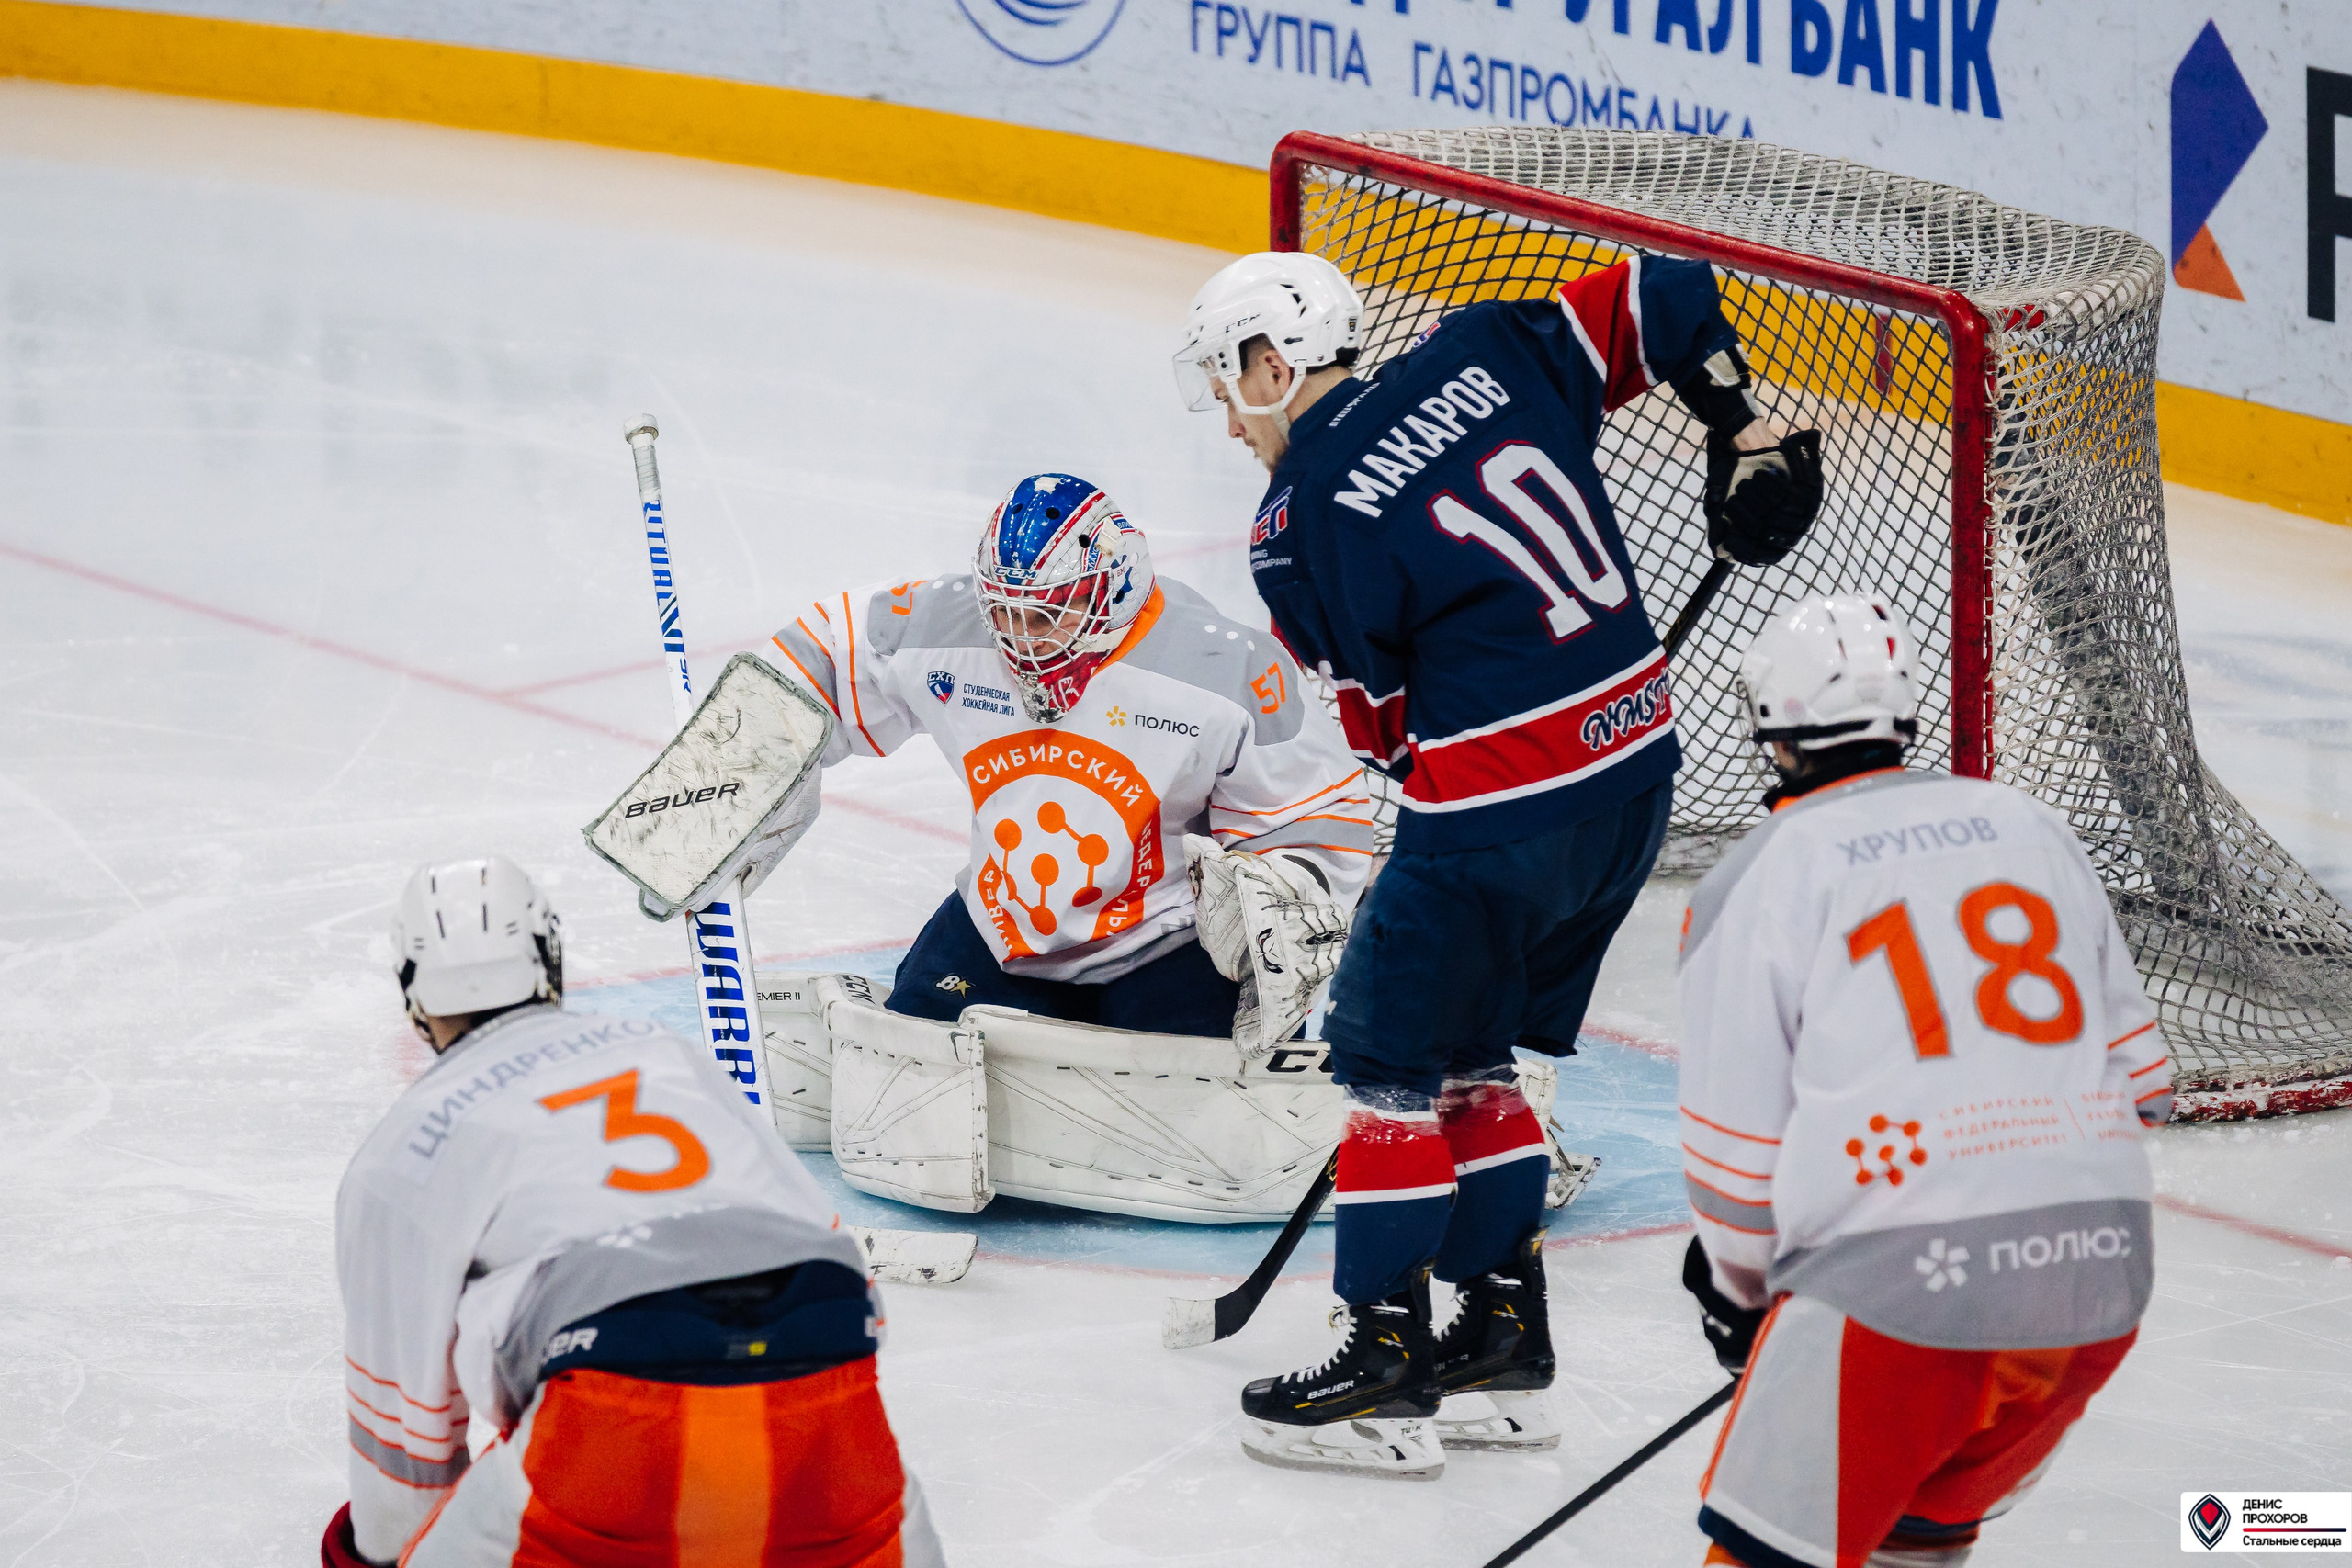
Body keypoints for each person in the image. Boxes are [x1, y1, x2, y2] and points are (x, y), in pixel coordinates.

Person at [1173, 249, 1824, 1476]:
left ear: (1273, 364)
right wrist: (1739, 423)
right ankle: (1503, 1338)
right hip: (1635, 779)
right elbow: (1671, 296)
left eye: (1226, 381)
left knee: (1385, 1062)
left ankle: (1381, 1360)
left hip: (1496, 811)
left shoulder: (1297, 514)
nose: (1225, 413)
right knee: (1473, 1054)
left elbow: (1383, 728)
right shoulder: (1492, 348)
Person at [1677, 592, 2171, 1568]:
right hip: (2101, 1280)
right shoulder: (2028, 824)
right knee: (1915, 1540)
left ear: (1769, 727)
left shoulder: (1763, 874)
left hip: (1900, 1301)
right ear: (1901, 717)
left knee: (1767, 1555)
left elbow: (1735, 1179)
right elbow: (2145, 1082)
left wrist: (1742, 1302)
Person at [323, 855, 944, 1568]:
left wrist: (376, 1555)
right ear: (549, 960)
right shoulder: (664, 1051)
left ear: (411, 994)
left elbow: (399, 1449)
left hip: (613, 1410)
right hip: (825, 1367)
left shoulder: (403, 1145)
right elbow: (828, 1244)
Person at [768, 471, 1369, 1048]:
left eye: (1045, 615)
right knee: (907, 1053)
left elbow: (1312, 813)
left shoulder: (1225, 666)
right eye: (1004, 610)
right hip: (1003, 933)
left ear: (1112, 592)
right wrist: (747, 750)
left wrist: (1282, 901)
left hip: (1166, 944)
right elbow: (828, 650)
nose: (1019, 638)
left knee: (1212, 1092)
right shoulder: (953, 628)